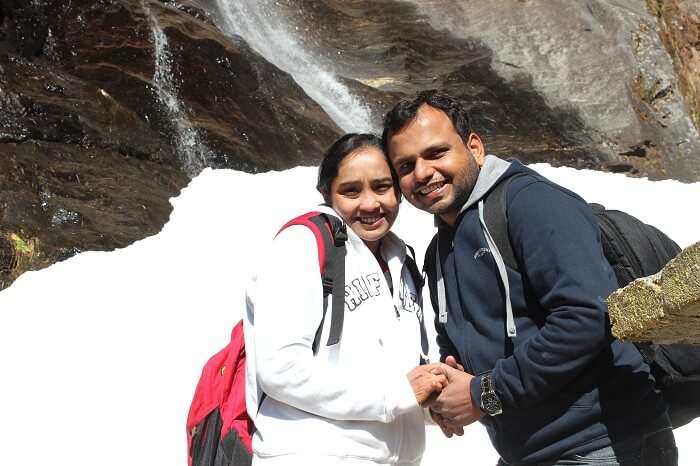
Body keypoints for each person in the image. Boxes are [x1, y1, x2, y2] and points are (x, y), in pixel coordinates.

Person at [382, 90, 678, 466]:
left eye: (436, 153)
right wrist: (450, 381)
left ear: (474, 147)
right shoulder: (439, 249)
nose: (422, 173)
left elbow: (587, 317)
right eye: (406, 166)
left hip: (603, 443)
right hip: (529, 450)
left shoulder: (531, 204)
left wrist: (481, 394)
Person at [244, 133, 448, 466]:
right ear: (326, 193)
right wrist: (395, 395)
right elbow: (280, 368)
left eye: (382, 187)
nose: (370, 204)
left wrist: (433, 400)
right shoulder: (302, 245)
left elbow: (393, 379)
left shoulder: (403, 260)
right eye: (351, 191)